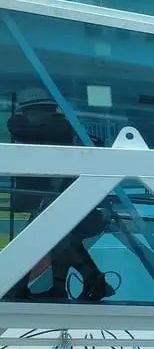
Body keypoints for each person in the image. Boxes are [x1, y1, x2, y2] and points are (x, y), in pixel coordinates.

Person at [5, 89, 113, 302]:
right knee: (60, 242)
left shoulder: (53, 131)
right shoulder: (58, 130)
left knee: (45, 241)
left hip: (64, 200)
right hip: (65, 200)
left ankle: (20, 287)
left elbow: (17, 128)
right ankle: (76, 285)